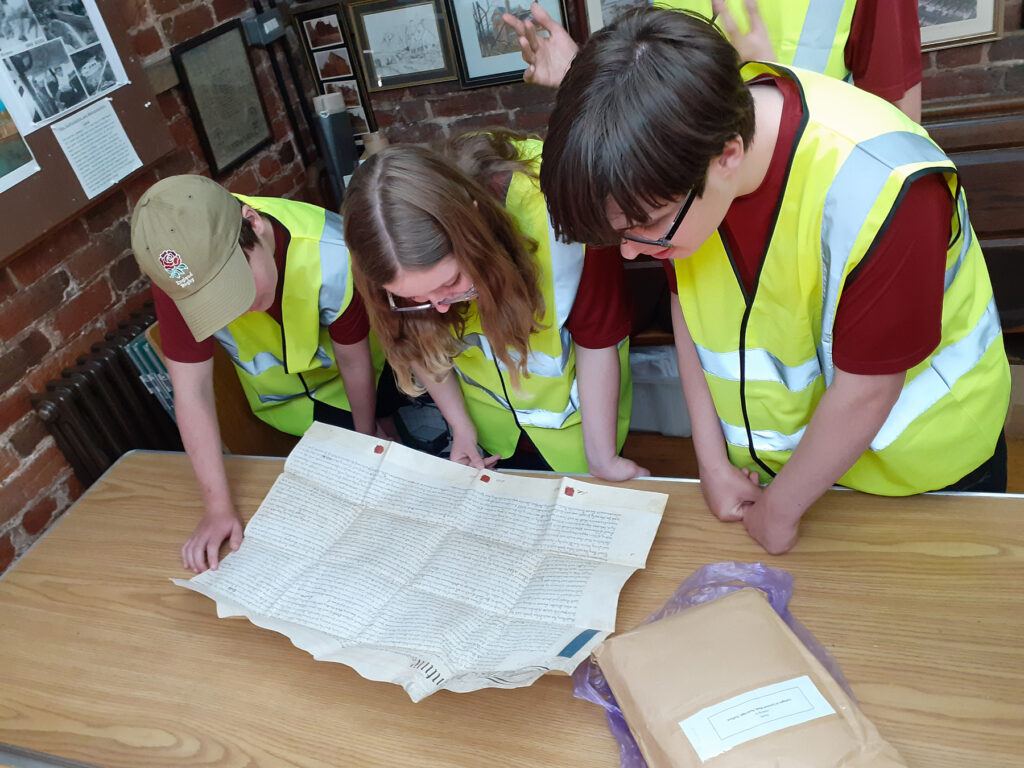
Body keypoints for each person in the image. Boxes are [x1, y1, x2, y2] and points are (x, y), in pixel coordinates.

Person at [533, 9, 1011, 553]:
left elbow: (870, 388)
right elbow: (686, 304)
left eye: (647, 227)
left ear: (727, 156)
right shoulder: (677, 174)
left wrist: (782, 509)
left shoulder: (884, 182)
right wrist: (710, 462)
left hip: (926, 476)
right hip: (786, 477)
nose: (632, 250)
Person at [341, 131, 647, 481]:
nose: (439, 307)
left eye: (450, 283)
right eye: (414, 299)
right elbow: (423, 346)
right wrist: (462, 429)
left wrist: (602, 457)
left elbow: (598, 342)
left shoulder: (568, 211)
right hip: (494, 438)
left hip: (585, 435)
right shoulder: (383, 252)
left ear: (474, 227)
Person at [131, 175, 384, 573]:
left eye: (238, 282)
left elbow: (355, 362)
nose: (243, 305)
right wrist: (217, 507)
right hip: (284, 416)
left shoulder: (333, 252)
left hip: (365, 389)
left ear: (254, 223)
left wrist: (366, 435)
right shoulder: (181, 275)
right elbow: (192, 390)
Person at [506, 0, 922, 120]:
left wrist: (772, 89)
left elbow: (898, 127)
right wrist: (581, 78)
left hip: (812, 208)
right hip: (697, 216)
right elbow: (659, 104)